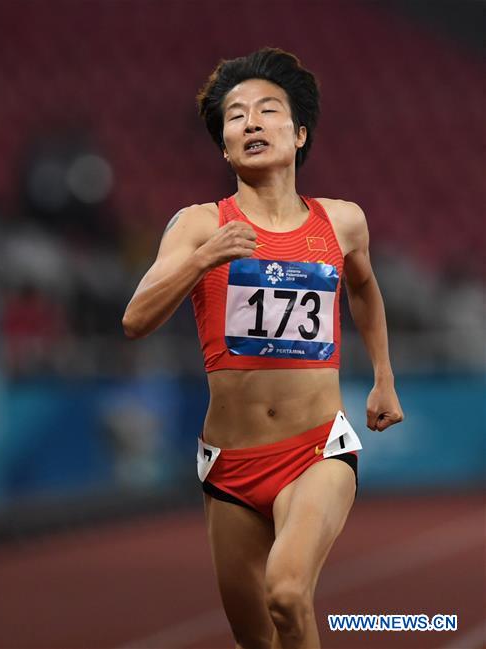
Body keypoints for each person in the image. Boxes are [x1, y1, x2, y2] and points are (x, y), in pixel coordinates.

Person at [122, 48, 403, 649]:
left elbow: (365, 290)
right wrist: (204, 258)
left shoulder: (343, 222)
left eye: (268, 111)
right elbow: (135, 319)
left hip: (316, 450)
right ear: (223, 148)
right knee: (257, 638)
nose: (250, 122)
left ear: (299, 134)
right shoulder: (199, 225)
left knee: (286, 592)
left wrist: (383, 376)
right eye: (235, 116)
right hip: (229, 466)